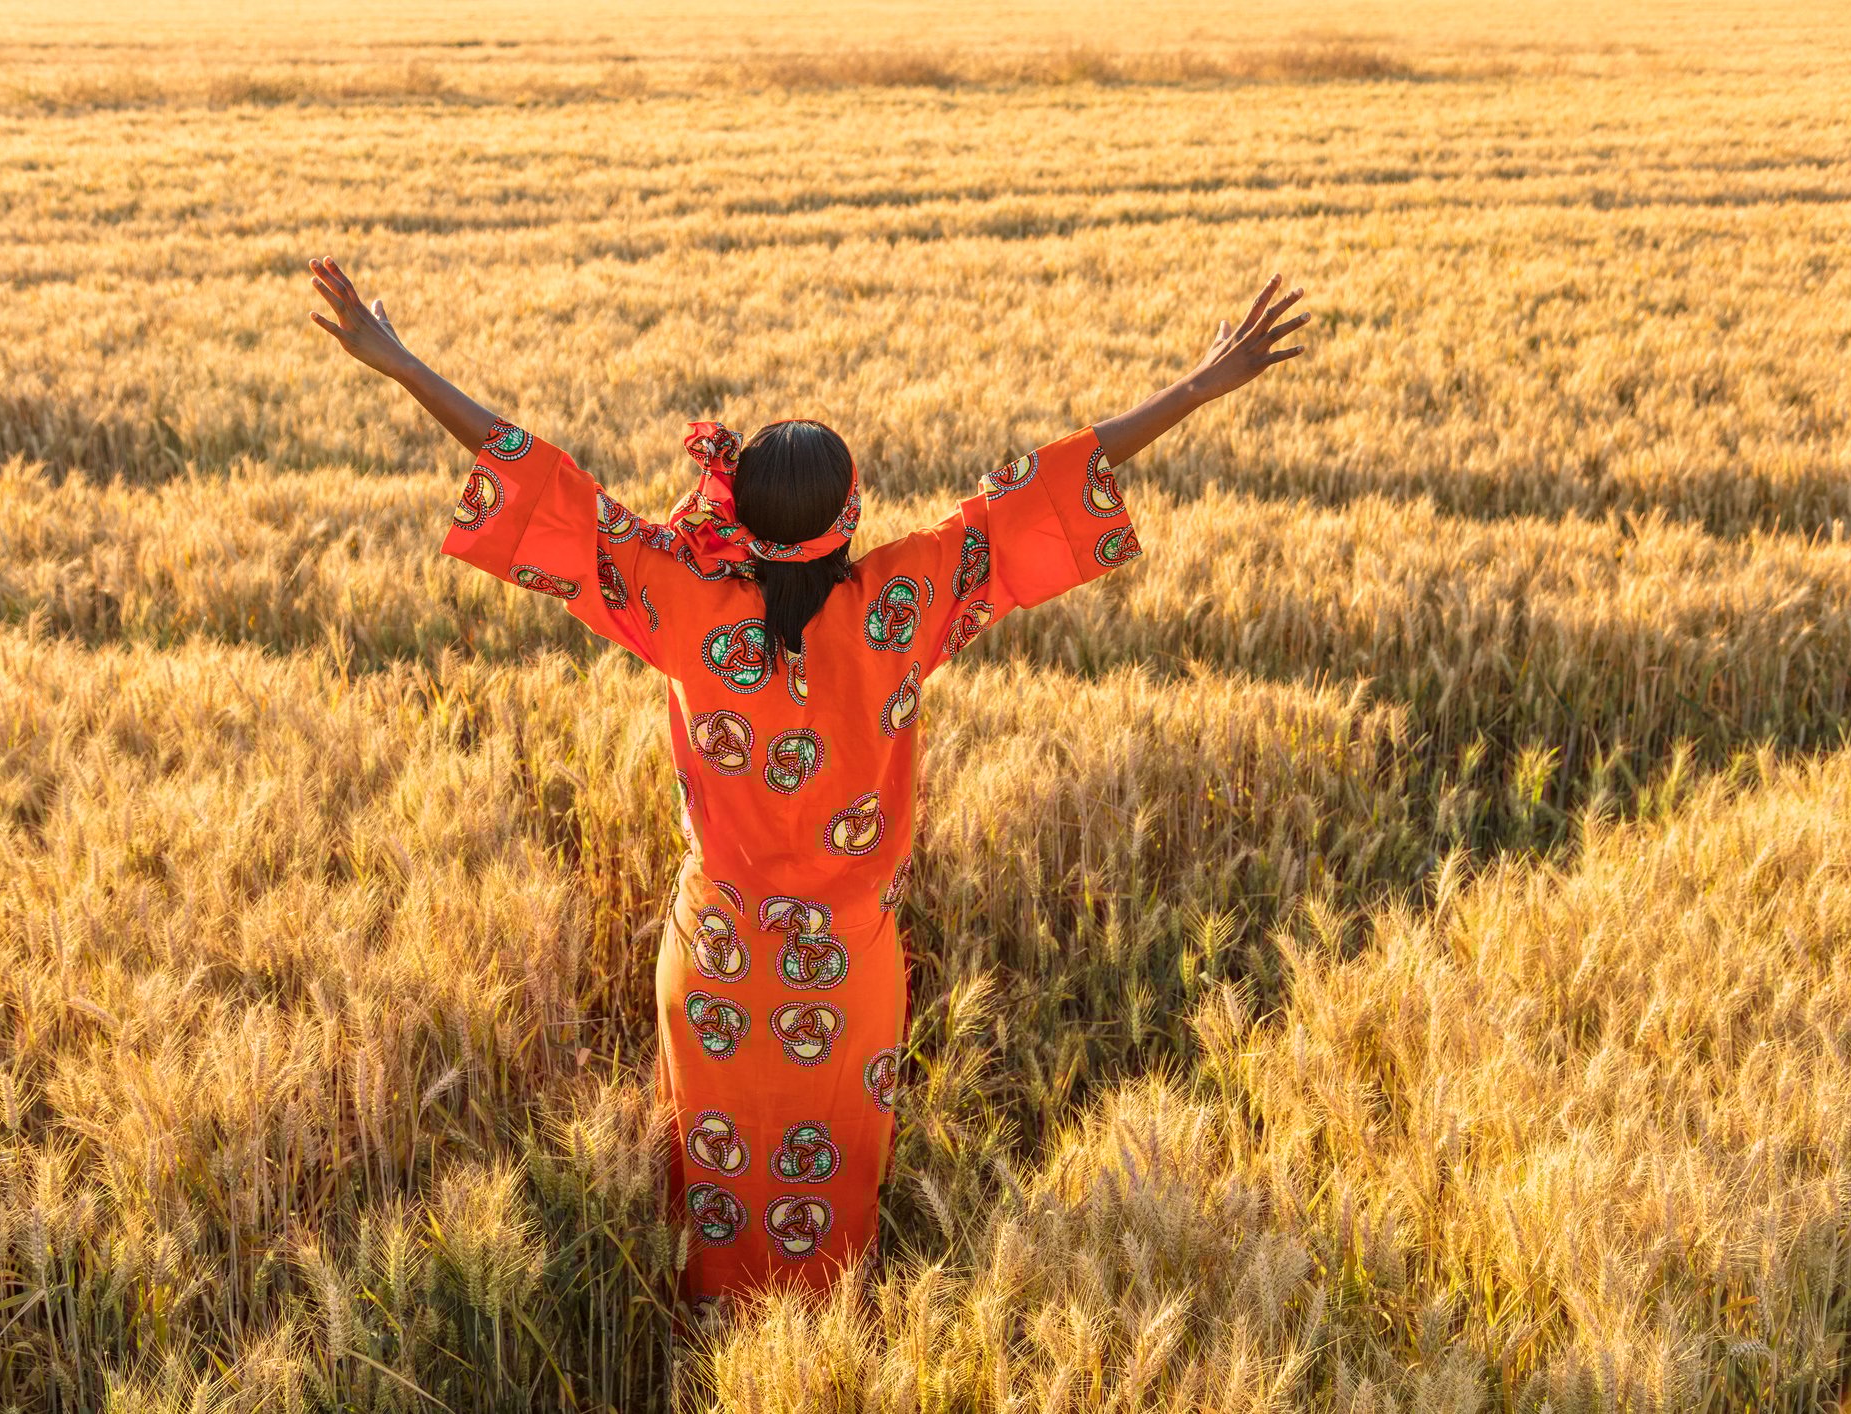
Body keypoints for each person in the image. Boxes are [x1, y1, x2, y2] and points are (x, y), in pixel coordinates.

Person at [306, 255, 1307, 1305]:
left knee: (716, 1201)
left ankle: (714, 1366)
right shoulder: (902, 603)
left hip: (721, 963)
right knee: (831, 1213)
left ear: (741, 515)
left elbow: (546, 484)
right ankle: (823, 1368)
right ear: (852, 514)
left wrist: (402, 363)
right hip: (846, 972)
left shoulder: (681, 604)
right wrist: (1199, 384)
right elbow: (1037, 492)